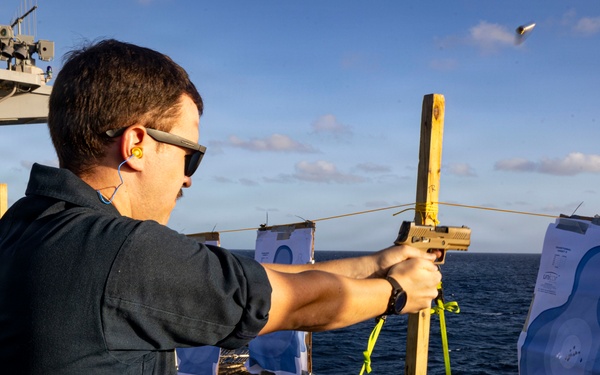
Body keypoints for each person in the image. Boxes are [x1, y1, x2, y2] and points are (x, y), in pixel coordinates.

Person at [0, 39, 441, 374]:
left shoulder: (23, 226)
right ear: (136, 144)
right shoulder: (121, 251)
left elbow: (236, 276)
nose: (188, 176)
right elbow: (288, 303)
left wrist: (376, 263)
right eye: (189, 154)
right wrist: (396, 294)